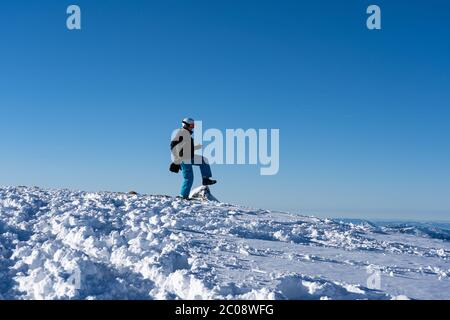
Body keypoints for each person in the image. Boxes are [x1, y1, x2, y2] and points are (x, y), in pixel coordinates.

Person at [170, 118, 217, 199]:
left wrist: (196, 147)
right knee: (189, 177)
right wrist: (177, 159)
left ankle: (205, 179)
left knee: (203, 160)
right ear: (185, 125)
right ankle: (183, 196)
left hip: (189, 157)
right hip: (184, 158)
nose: (193, 127)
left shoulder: (186, 134)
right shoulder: (182, 133)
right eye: (191, 125)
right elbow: (173, 145)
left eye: (194, 126)